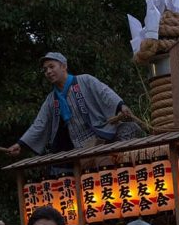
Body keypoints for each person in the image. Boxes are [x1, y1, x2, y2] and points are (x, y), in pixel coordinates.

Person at [7, 52, 142, 158]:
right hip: (79, 145)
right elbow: (39, 124)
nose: (48, 71)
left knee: (131, 128)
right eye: (45, 69)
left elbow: (104, 92)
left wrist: (121, 106)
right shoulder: (51, 100)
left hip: (102, 132)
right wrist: (21, 144)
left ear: (64, 66)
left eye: (51, 66)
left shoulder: (84, 80)